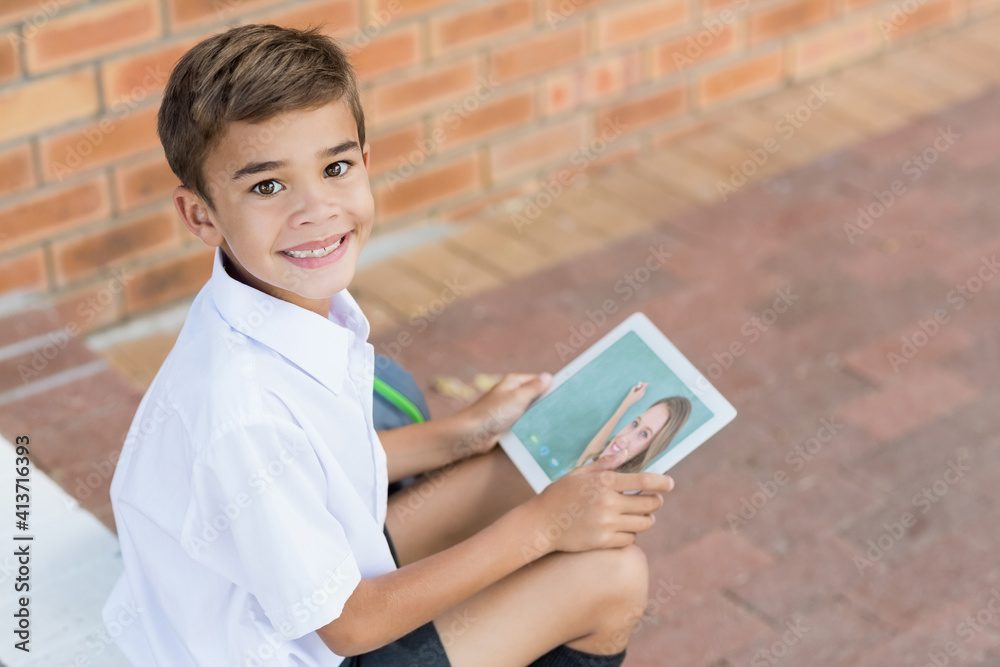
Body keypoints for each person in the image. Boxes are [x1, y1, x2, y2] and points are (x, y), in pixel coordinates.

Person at [101, 24, 674, 667]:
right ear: (201, 214)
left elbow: (314, 464)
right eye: (268, 186)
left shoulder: (265, 305)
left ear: (365, 162)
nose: (315, 208)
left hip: (297, 588)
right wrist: (542, 529)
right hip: (311, 644)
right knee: (609, 577)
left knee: (522, 464)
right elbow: (345, 627)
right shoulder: (240, 408)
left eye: (335, 167)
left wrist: (463, 432)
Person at [573, 383, 693, 475]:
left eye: (644, 434)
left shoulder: (610, 493)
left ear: (647, 450)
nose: (624, 438)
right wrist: (625, 405)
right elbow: (589, 454)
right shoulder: (590, 466)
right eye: (635, 424)